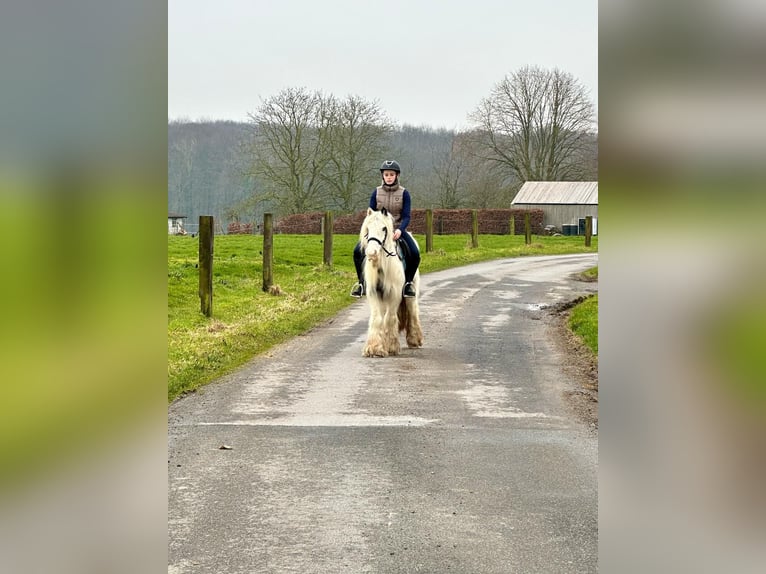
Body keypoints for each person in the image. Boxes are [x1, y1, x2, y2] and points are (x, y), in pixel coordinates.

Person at [351, 160, 420, 298]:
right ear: (383, 176)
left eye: (391, 174)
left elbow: (406, 216)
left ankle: (407, 284)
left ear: (397, 176)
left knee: (414, 253)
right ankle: (361, 283)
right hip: (378, 231)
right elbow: (371, 213)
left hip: (396, 230)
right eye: (386, 174)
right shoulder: (376, 192)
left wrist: (400, 230)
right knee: (357, 252)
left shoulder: (404, 193)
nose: (389, 177)